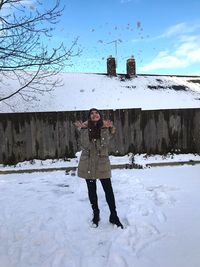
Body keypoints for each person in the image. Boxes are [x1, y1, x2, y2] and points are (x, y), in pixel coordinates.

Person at [74, 108, 123, 228]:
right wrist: (84, 130)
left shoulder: (106, 127)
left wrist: (105, 129)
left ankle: (114, 215)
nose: (94, 115)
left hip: (102, 163)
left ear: (100, 115)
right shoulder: (84, 128)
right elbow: (86, 145)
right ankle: (96, 214)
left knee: (108, 191)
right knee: (92, 191)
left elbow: (104, 144)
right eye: (92, 113)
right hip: (88, 164)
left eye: (96, 113)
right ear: (89, 116)